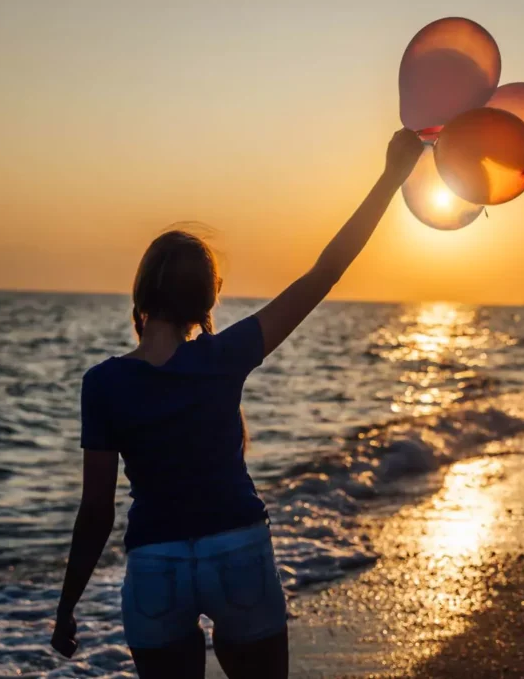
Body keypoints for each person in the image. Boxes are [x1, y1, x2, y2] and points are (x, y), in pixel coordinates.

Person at [50, 129, 424, 678]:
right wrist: (391, 177)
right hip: (238, 552)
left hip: (157, 564)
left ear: (141, 295)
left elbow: (97, 512)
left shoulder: (103, 383)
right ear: (206, 299)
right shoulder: (224, 355)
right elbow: (325, 271)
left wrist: (66, 606)